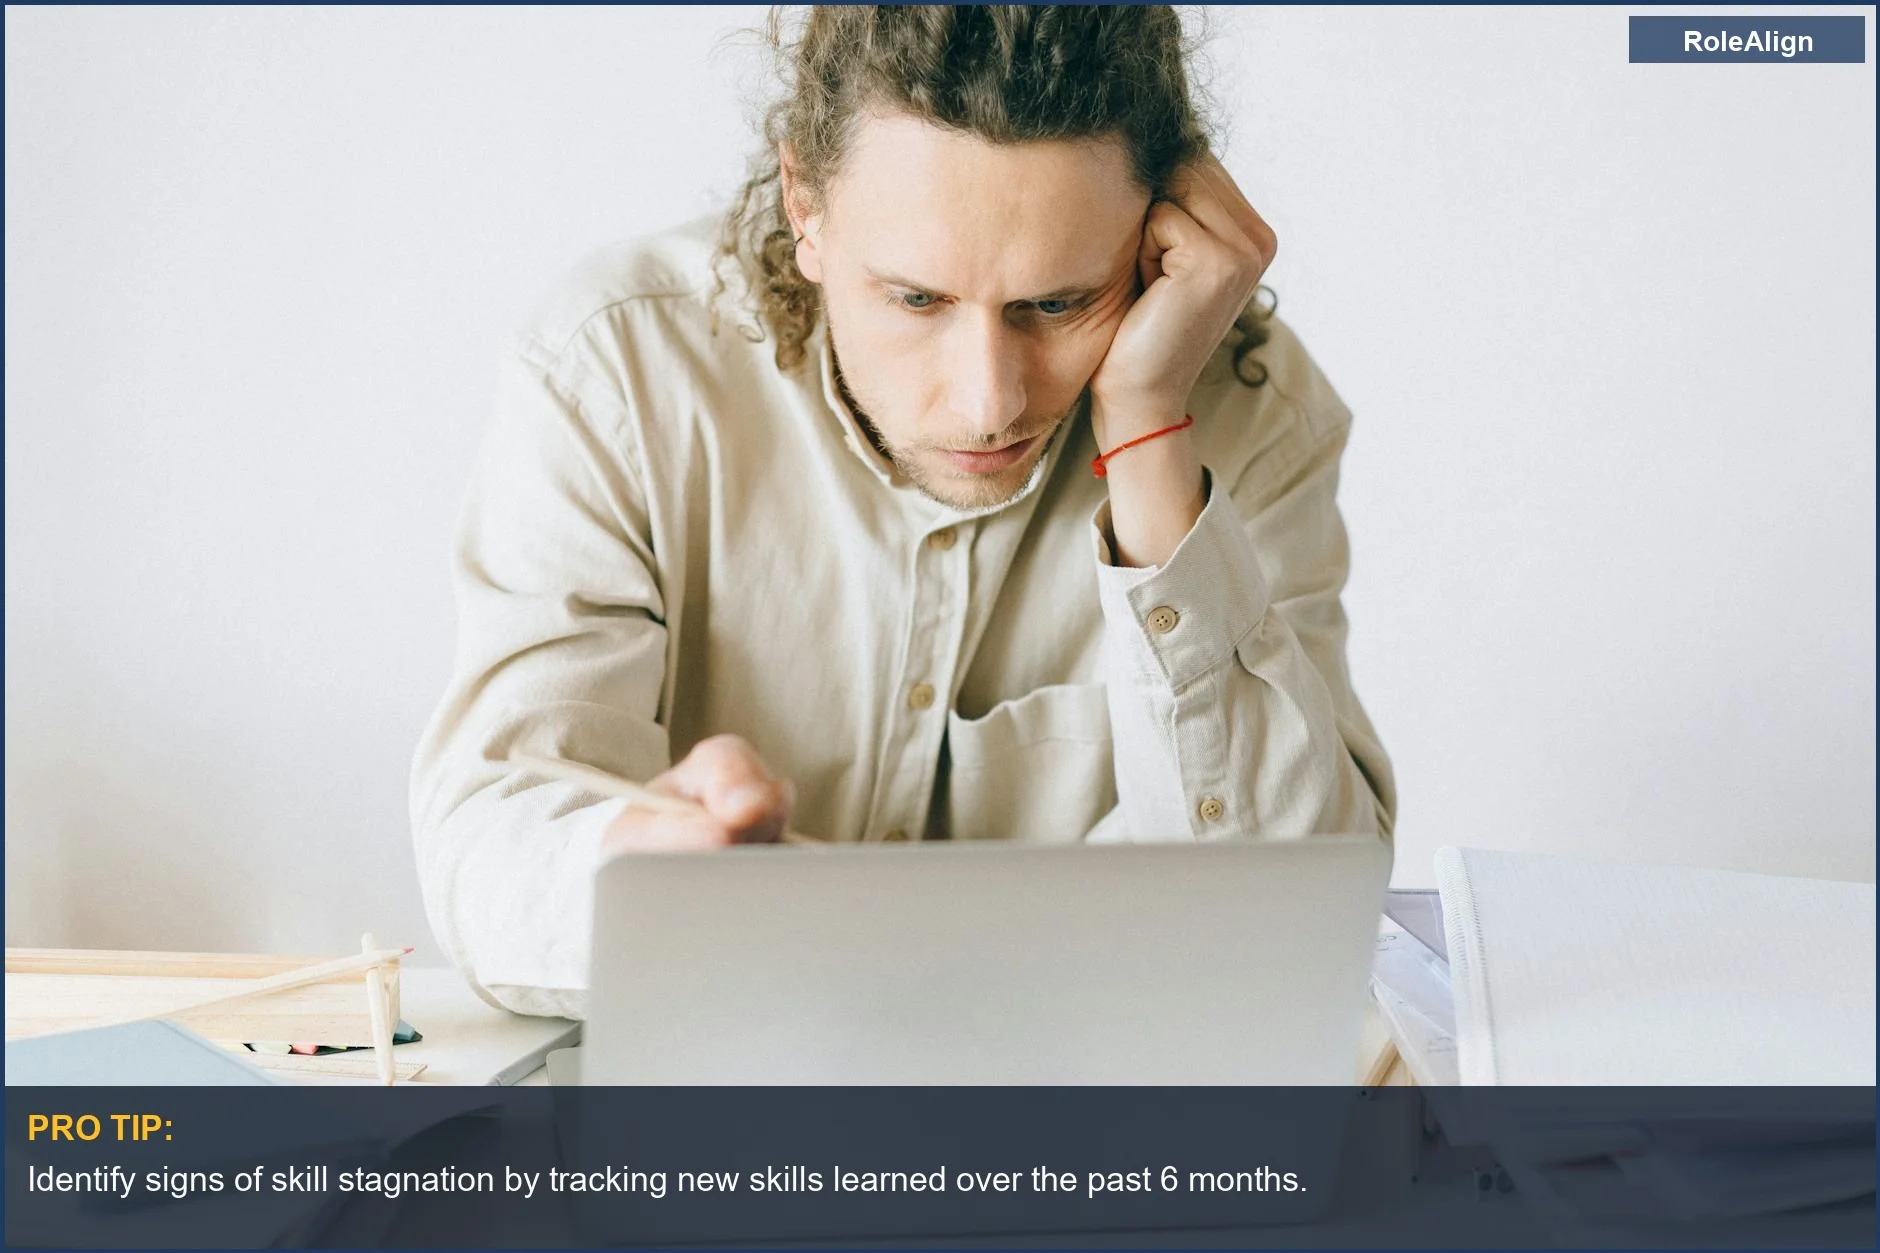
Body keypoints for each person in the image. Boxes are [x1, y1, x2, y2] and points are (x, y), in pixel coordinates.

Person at [411, 5, 1395, 1018]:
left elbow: (1295, 918)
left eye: (1057, 303)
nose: (987, 402)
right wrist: (639, 878)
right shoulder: (616, 372)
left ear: (1154, 240)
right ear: (804, 204)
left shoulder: (1250, 416)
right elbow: (490, 845)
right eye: (917, 299)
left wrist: (1149, 434)